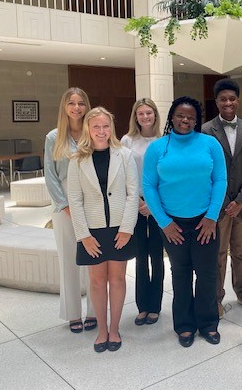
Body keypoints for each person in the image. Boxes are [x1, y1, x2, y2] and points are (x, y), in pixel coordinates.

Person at [143, 96, 227, 348]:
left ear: (197, 120)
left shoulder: (210, 144)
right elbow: (149, 185)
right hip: (172, 224)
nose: (185, 120)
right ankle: (185, 325)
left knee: (207, 274)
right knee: (180, 274)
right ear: (171, 116)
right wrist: (164, 222)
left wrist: (212, 216)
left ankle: (208, 323)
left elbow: (220, 180)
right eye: (180, 115)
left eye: (191, 117)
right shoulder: (158, 148)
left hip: (205, 221)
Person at [68, 107, 139, 353]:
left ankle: (115, 329)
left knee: (117, 279)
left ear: (112, 128)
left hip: (120, 228)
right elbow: (74, 200)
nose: (101, 131)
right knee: (97, 282)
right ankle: (101, 330)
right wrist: (84, 235)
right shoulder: (77, 159)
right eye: (96, 126)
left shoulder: (125, 155)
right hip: (93, 230)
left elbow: (133, 194)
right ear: (88, 128)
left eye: (105, 126)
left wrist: (128, 228)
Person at [202, 79, 242, 318]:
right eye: (223, 99)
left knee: (241, 251)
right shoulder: (206, 131)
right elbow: (207, 169)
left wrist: (241, 199)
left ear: (238, 100)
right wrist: (226, 202)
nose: (228, 103)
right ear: (216, 102)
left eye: (232, 99)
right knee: (218, 253)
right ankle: (216, 297)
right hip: (219, 206)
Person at [44, 87, 96, 334]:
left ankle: (95, 311)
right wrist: (65, 206)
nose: (77, 108)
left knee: (94, 258)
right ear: (64, 107)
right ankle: (73, 313)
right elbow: (50, 176)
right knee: (69, 260)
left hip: (91, 200)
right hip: (64, 203)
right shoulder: (54, 137)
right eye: (71, 103)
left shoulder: (93, 134)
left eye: (81, 103)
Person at [121, 98, 164, 326]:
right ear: (135, 117)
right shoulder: (127, 141)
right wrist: (137, 201)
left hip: (157, 206)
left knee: (156, 257)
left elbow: (166, 176)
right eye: (141, 114)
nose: (145, 117)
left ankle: (155, 306)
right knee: (140, 258)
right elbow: (122, 174)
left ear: (155, 115)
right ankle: (142, 306)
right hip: (134, 205)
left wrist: (152, 202)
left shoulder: (163, 141)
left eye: (149, 113)